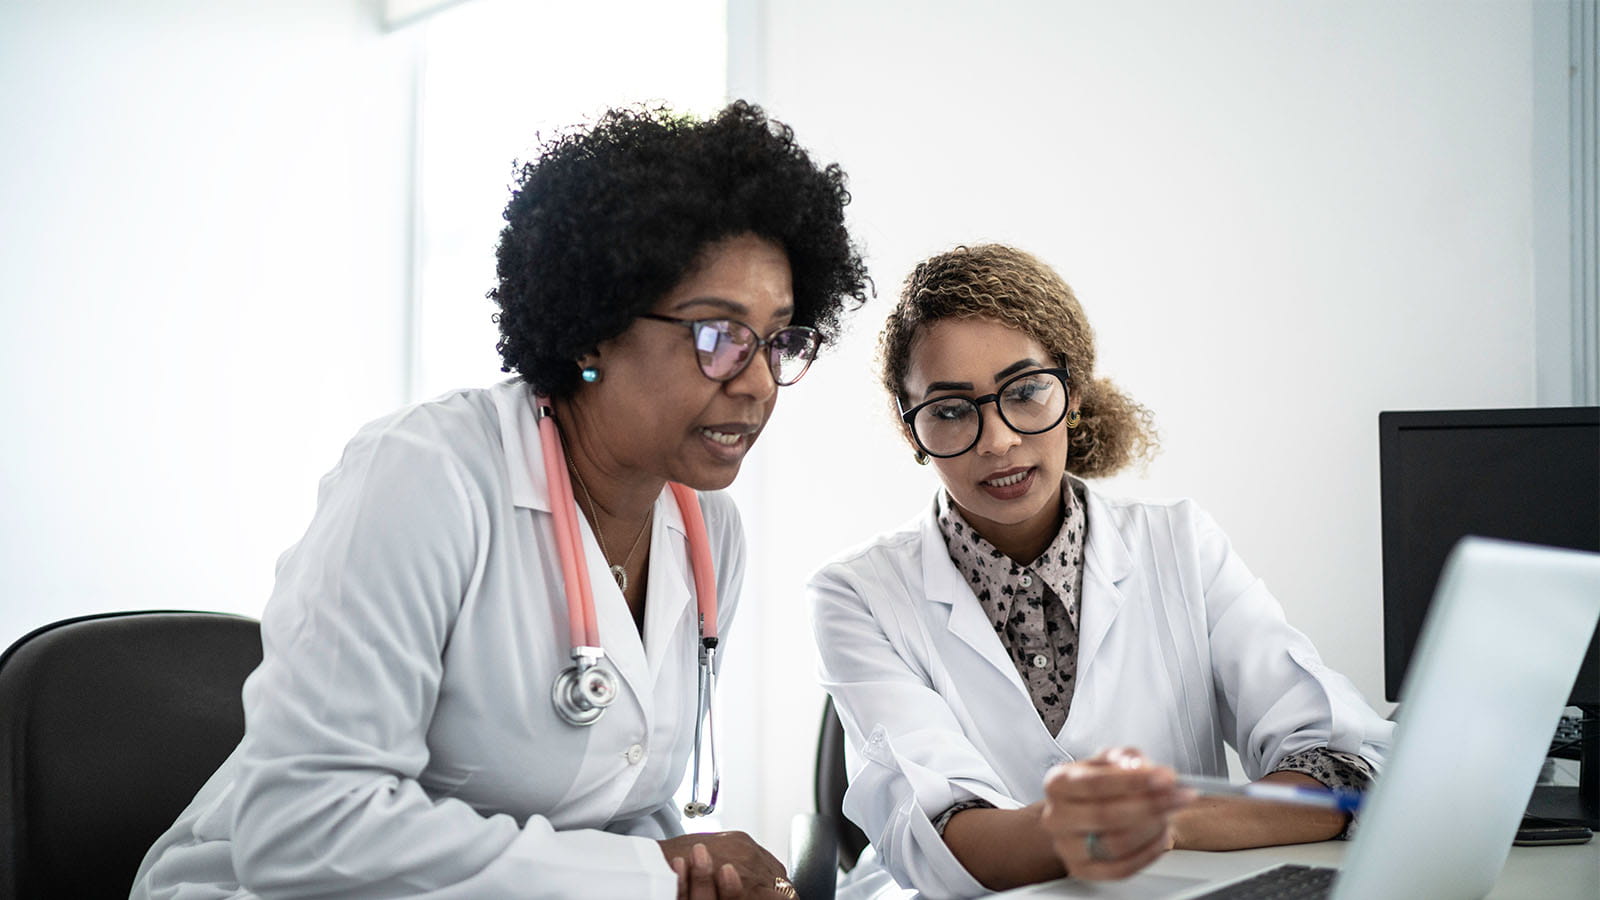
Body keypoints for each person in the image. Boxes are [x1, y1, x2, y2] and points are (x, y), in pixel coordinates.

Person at [131, 102, 868, 900]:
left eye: (781, 340)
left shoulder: (705, 531)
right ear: (591, 331)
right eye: (715, 336)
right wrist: (646, 875)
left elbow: (621, 805)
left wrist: (694, 872)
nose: (758, 382)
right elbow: (308, 828)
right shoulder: (424, 478)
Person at [807, 244, 1392, 899]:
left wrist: (1163, 824)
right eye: (950, 410)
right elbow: (943, 838)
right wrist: (1110, 831)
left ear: (1074, 389)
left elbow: (1344, 766)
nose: (998, 439)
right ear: (911, 428)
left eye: (1025, 392)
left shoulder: (1180, 544)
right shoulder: (855, 593)